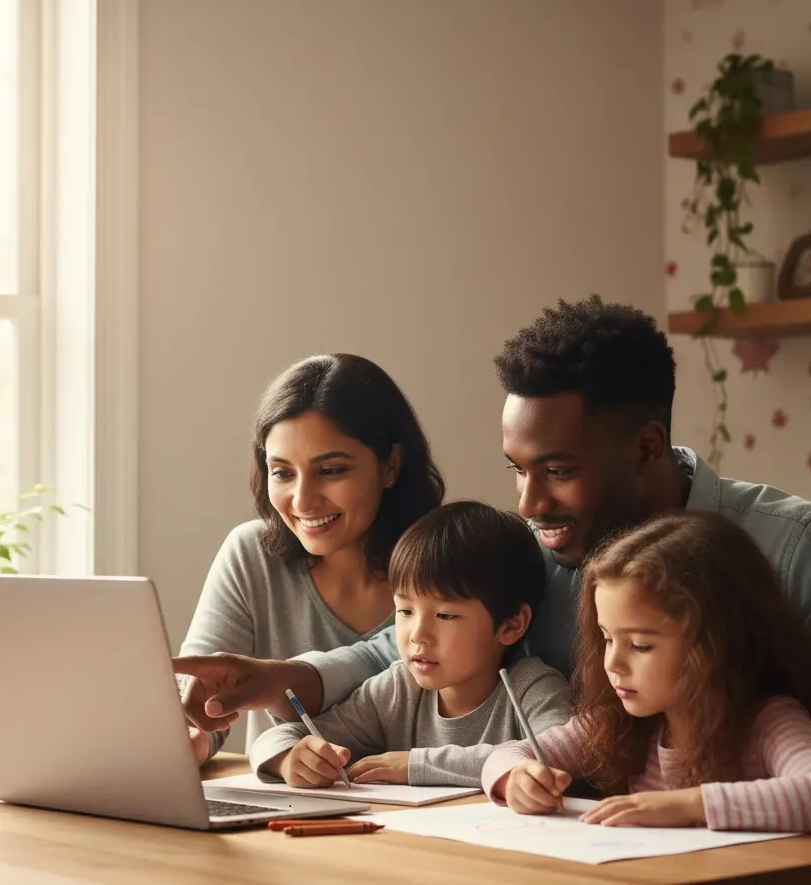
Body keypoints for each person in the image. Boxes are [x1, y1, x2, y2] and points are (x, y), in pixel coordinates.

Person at [173, 296, 811, 736]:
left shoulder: (790, 549)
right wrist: (277, 680)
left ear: (645, 447)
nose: (529, 505)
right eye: (517, 470)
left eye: (558, 472)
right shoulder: (532, 550)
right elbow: (387, 656)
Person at [178, 352, 445, 764]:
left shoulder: (452, 565)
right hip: (285, 816)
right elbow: (199, 705)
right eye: (282, 472)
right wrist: (188, 738)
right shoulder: (252, 555)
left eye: (332, 470)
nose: (303, 500)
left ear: (390, 466)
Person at [481, 511, 811, 832]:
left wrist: (688, 806)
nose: (612, 663)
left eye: (640, 645)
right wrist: (516, 776)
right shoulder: (619, 724)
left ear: (718, 642)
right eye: (607, 639)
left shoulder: (766, 723)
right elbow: (508, 753)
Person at [250, 500, 571, 789]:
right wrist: (291, 758)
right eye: (404, 611)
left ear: (512, 624)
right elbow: (276, 738)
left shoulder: (533, 687)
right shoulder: (398, 690)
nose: (418, 634)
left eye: (445, 615)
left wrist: (416, 765)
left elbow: (556, 753)